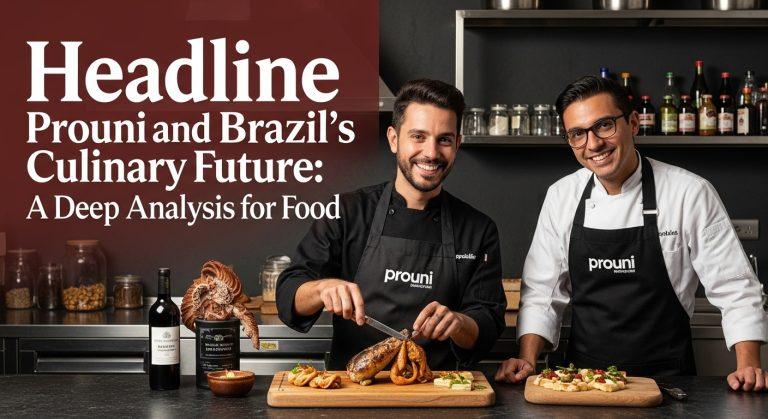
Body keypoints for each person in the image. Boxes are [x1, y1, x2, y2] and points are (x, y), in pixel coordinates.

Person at [495, 76, 768, 391]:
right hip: (583, 385)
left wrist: (749, 365)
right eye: (577, 134)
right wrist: (527, 358)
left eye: (605, 125)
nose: (593, 143)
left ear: (634, 123)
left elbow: (735, 288)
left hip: (669, 384)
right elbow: (542, 292)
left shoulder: (689, 192)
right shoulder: (562, 196)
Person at [277, 79, 506, 370]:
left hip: (438, 394)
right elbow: (288, 294)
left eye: (444, 139)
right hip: (351, 395)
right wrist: (322, 289)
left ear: (457, 145)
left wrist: (460, 322)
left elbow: (487, 321)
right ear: (394, 139)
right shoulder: (346, 212)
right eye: (418, 136)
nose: (432, 153)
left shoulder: (478, 230)